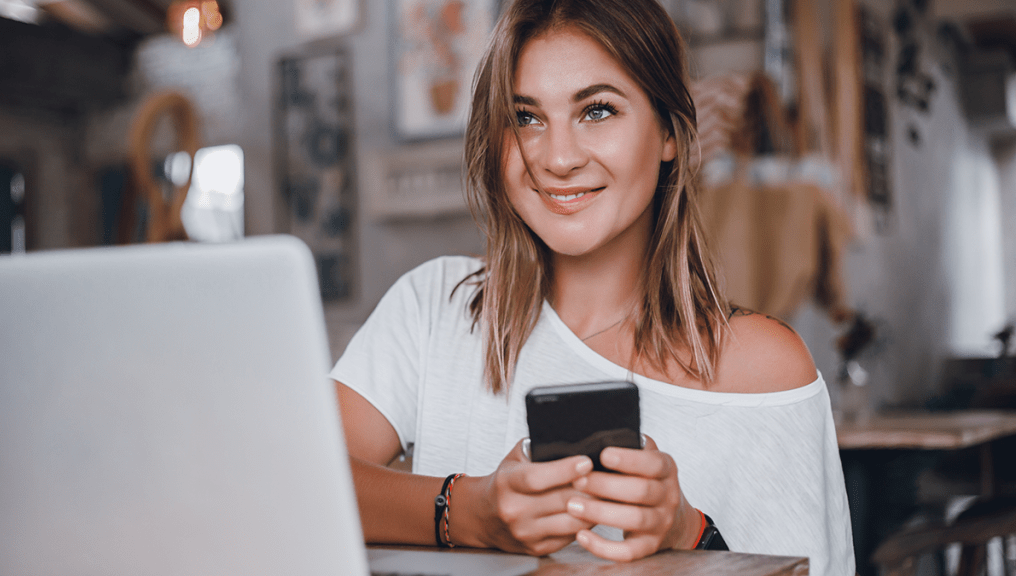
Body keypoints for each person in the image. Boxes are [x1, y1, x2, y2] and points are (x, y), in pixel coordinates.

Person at [333, 0, 855, 573]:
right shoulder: (437, 306)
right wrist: (468, 511)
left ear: (668, 135)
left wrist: (691, 531)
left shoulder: (764, 367)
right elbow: (296, 478)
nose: (557, 158)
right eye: (526, 117)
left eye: (598, 110)